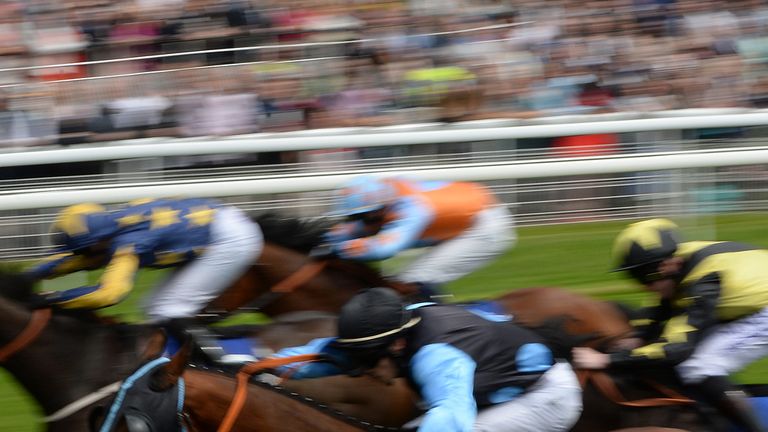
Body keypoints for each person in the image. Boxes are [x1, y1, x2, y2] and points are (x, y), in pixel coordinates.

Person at [270, 287, 582, 432]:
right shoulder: (389, 333)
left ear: (397, 345)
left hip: (546, 396)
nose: (363, 370)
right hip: (500, 388)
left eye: (369, 359)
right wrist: (256, 370)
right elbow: (323, 354)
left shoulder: (436, 357)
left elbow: (452, 418)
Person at [572, 218, 768, 432]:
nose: (646, 287)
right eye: (637, 277)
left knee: (701, 364)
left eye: (645, 277)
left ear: (667, 265)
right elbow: (660, 305)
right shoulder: (680, 260)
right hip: (753, 301)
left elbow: (678, 348)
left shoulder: (703, 281)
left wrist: (607, 360)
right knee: (694, 360)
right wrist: (639, 334)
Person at [25, 197, 264, 362]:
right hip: (219, 222)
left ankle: (220, 362)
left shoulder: (129, 242)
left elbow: (110, 293)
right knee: (152, 308)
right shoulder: (110, 226)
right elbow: (80, 260)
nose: (83, 256)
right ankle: (186, 356)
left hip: (231, 240)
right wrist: (23, 278)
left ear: (97, 242)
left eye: (83, 249)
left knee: (170, 308)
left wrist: (48, 299)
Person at [323, 175, 515, 299]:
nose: (357, 223)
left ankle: (441, 324)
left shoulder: (413, 210)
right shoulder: (385, 196)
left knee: (413, 280)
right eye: (352, 217)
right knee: (399, 278)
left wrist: (337, 249)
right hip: (462, 215)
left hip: (485, 228)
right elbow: (351, 230)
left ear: (379, 210)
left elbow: (385, 249)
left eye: (360, 217)